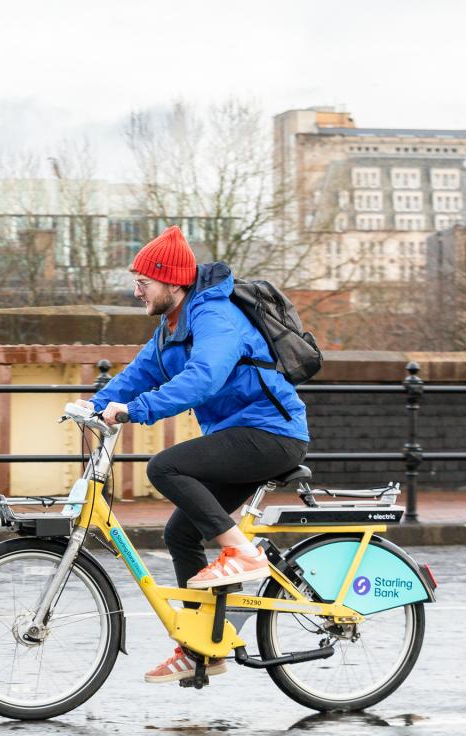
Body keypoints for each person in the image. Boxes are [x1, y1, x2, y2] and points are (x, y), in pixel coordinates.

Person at [81, 225, 309, 685]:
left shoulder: (214, 317)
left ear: (173, 283)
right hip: (238, 436)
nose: (136, 288)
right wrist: (94, 404)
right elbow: (138, 373)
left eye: (144, 281)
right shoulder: (169, 328)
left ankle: (242, 554)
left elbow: (204, 377)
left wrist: (136, 411)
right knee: (180, 533)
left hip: (271, 434)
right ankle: (202, 649)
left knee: (166, 466)